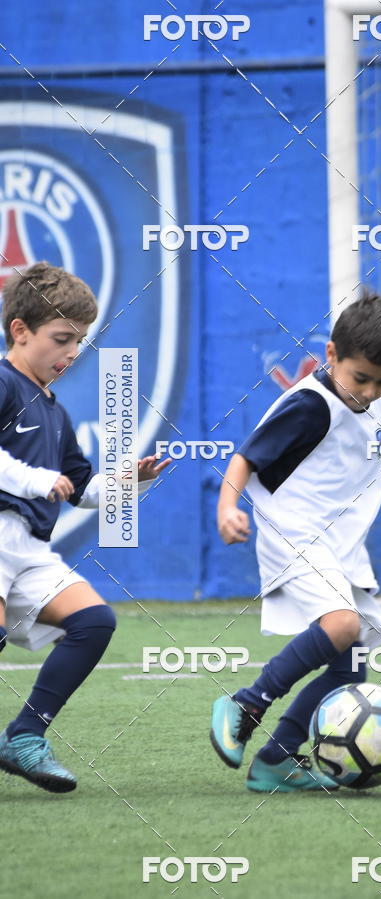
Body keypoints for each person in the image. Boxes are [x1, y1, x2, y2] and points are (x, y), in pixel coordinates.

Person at [210, 289, 381, 792]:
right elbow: (244, 457)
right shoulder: (309, 404)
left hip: (338, 545)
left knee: (351, 671)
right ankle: (247, 702)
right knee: (344, 624)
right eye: (361, 378)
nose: (369, 391)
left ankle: (276, 760)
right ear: (331, 356)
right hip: (294, 531)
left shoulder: (371, 398)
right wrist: (227, 507)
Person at [0, 261, 170, 793]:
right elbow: (38, 480)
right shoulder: (2, 384)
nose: (72, 353)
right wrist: (34, 480)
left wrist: (130, 482)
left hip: (27, 547)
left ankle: (24, 735)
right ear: (20, 331)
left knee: (94, 621)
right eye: (62, 339)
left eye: (80, 341)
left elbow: (81, 489)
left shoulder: (54, 410)